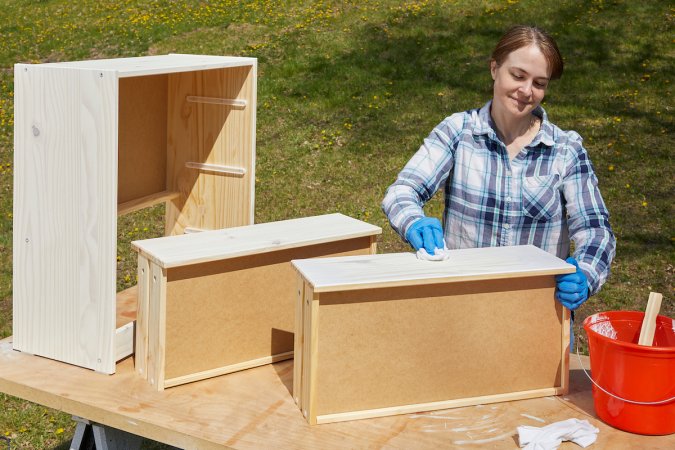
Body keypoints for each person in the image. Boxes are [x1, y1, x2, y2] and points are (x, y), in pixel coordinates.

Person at [381, 25, 616, 314]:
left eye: (539, 83)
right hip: (461, 308)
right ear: (495, 69)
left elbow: (596, 230)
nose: (526, 91)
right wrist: (413, 221)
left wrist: (586, 273)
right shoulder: (458, 133)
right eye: (517, 76)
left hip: (537, 313)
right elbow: (402, 191)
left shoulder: (565, 150)